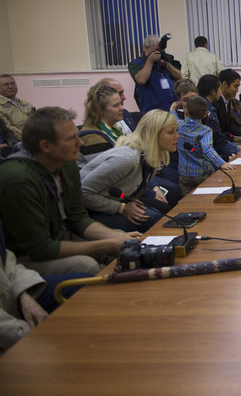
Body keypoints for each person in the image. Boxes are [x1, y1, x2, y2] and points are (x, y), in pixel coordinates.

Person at [0, 107, 140, 276]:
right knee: (85, 265)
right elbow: (41, 249)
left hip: (63, 236)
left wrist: (115, 237)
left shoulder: (66, 164)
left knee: (124, 240)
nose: (80, 143)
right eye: (71, 138)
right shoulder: (18, 179)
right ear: (45, 146)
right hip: (25, 258)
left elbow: (78, 217)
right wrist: (107, 244)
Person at [79, 110, 177, 233]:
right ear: (153, 134)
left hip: (114, 201)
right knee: (156, 220)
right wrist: (121, 208)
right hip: (88, 211)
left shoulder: (149, 157)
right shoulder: (127, 159)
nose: (177, 136)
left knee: (166, 211)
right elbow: (83, 193)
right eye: (170, 132)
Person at [0, 218, 87, 352]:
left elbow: (6, 259)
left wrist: (22, 293)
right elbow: (42, 248)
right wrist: (37, 338)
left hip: (13, 292)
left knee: (85, 285)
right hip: (9, 328)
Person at [171, 97, 235, 196]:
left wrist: (172, 109)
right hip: (203, 174)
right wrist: (222, 164)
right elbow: (207, 149)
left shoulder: (179, 125)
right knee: (207, 198)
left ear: (186, 111)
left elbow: (173, 117)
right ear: (205, 115)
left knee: (189, 201)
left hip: (184, 175)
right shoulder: (205, 131)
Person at [127, 34, 181, 114]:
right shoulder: (136, 63)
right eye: (156, 50)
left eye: (161, 50)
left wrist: (166, 64)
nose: (159, 53)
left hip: (172, 110)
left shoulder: (163, 62)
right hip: (153, 113)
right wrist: (150, 60)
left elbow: (180, 77)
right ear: (146, 48)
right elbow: (141, 80)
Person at [196, 74, 241, 160]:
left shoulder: (207, 105)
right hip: (214, 151)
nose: (221, 92)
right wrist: (236, 149)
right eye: (220, 89)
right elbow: (216, 138)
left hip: (217, 146)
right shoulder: (207, 110)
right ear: (213, 92)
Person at [216, 69, 241, 143]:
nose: (237, 90)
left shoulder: (228, 101)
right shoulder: (215, 102)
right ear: (224, 84)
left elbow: (229, 125)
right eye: (235, 86)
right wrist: (237, 139)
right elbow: (217, 132)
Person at [79, 84, 124, 149]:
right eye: (116, 105)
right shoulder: (91, 137)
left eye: (120, 104)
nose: (122, 108)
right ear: (99, 110)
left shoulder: (114, 128)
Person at [0, 74, 34, 142]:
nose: (10, 86)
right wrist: (29, 139)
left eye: (13, 84)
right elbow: (8, 129)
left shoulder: (27, 104)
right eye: (6, 84)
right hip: (18, 142)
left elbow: (36, 123)